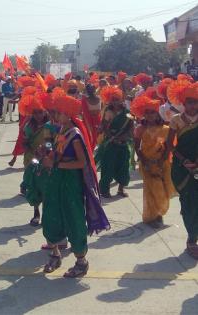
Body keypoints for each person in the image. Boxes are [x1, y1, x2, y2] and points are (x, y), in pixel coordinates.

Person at [40, 94, 110, 277]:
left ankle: (81, 261)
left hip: (70, 182)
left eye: (58, 113)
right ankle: (55, 254)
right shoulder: (57, 129)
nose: (54, 115)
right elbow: (52, 147)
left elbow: (81, 162)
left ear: (68, 114)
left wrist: (55, 163)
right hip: (56, 179)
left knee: (74, 218)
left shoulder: (75, 135)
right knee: (51, 214)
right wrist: (46, 153)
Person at [132, 95, 176, 228]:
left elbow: (169, 146)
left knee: (165, 189)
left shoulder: (167, 129)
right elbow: (137, 147)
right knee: (152, 189)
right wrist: (145, 161)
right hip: (147, 163)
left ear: (158, 114)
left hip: (163, 163)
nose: (150, 115)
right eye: (147, 113)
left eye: (153, 112)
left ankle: (159, 213)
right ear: (143, 115)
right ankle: (154, 216)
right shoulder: (140, 129)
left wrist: (161, 160)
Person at [165, 81, 198, 259]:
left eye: (196, 102)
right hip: (182, 169)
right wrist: (184, 161)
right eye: (190, 102)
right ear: (184, 104)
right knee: (188, 204)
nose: (193, 105)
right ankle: (191, 240)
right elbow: (170, 144)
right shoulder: (176, 120)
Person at [96, 86, 134, 198]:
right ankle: (105, 190)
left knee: (123, 166)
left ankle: (121, 189)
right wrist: (111, 136)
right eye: (112, 99)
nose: (115, 101)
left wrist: (125, 136)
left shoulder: (127, 112)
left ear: (121, 99)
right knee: (108, 167)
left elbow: (130, 127)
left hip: (123, 143)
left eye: (117, 99)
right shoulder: (108, 112)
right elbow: (104, 126)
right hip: (110, 143)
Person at [18, 92, 48, 226]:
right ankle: (36, 213)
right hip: (32, 159)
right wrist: (33, 151)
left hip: (47, 158)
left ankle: (48, 214)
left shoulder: (50, 126)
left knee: (46, 187)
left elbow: (51, 141)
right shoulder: (28, 127)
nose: (38, 115)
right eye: (35, 113)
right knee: (34, 186)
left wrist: (46, 149)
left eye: (40, 112)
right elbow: (24, 143)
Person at [81, 83, 101, 150]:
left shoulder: (100, 98)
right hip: (90, 122)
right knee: (90, 138)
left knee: (93, 138)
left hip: (95, 121)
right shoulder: (84, 100)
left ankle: (90, 152)